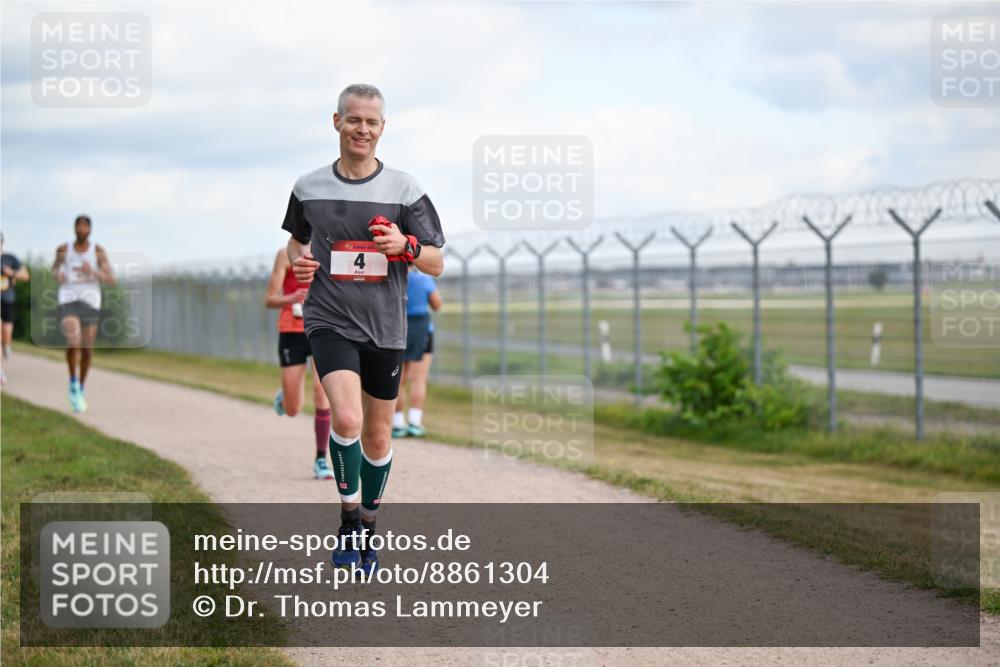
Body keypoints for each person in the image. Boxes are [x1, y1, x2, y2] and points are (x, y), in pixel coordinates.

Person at [282, 83, 444, 574]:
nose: (362, 129)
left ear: (382, 128)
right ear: (337, 122)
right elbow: (296, 243)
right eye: (353, 119)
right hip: (330, 319)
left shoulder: (405, 190)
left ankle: (369, 526)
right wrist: (302, 262)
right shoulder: (308, 186)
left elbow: (436, 262)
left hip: (386, 327)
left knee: (376, 437)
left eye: (372, 122)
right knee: (346, 420)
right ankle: (349, 519)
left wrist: (405, 246)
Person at [264, 247, 335, 480]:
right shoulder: (285, 255)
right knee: (293, 409)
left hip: (322, 329)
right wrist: (291, 298)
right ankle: (285, 396)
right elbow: (270, 299)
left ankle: (321, 459)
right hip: (291, 332)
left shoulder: (329, 250)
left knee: (321, 392)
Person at [52, 215, 114, 413]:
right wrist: (57, 274)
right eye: (77, 226)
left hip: (90, 300)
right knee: (74, 341)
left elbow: (111, 279)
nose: (80, 230)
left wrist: (93, 272)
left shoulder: (98, 251)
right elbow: (54, 268)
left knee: (87, 349)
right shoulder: (64, 249)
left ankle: (81, 387)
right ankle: (72, 381)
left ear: (90, 230)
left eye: (84, 227)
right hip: (69, 298)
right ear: (73, 229)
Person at [392, 265, 442, 438]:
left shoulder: (395, 278)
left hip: (398, 329)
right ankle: (415, 422)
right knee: (419, 379)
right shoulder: (424, 279)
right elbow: (437, 304)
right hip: (422, 330)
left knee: (399, 380)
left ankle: (397, 423)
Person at [1, 233, 30, 384]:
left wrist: (11, 273)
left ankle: (6, 345)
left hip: (7, 300)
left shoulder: (10, 258)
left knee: (6, 334)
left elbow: (26, 275)